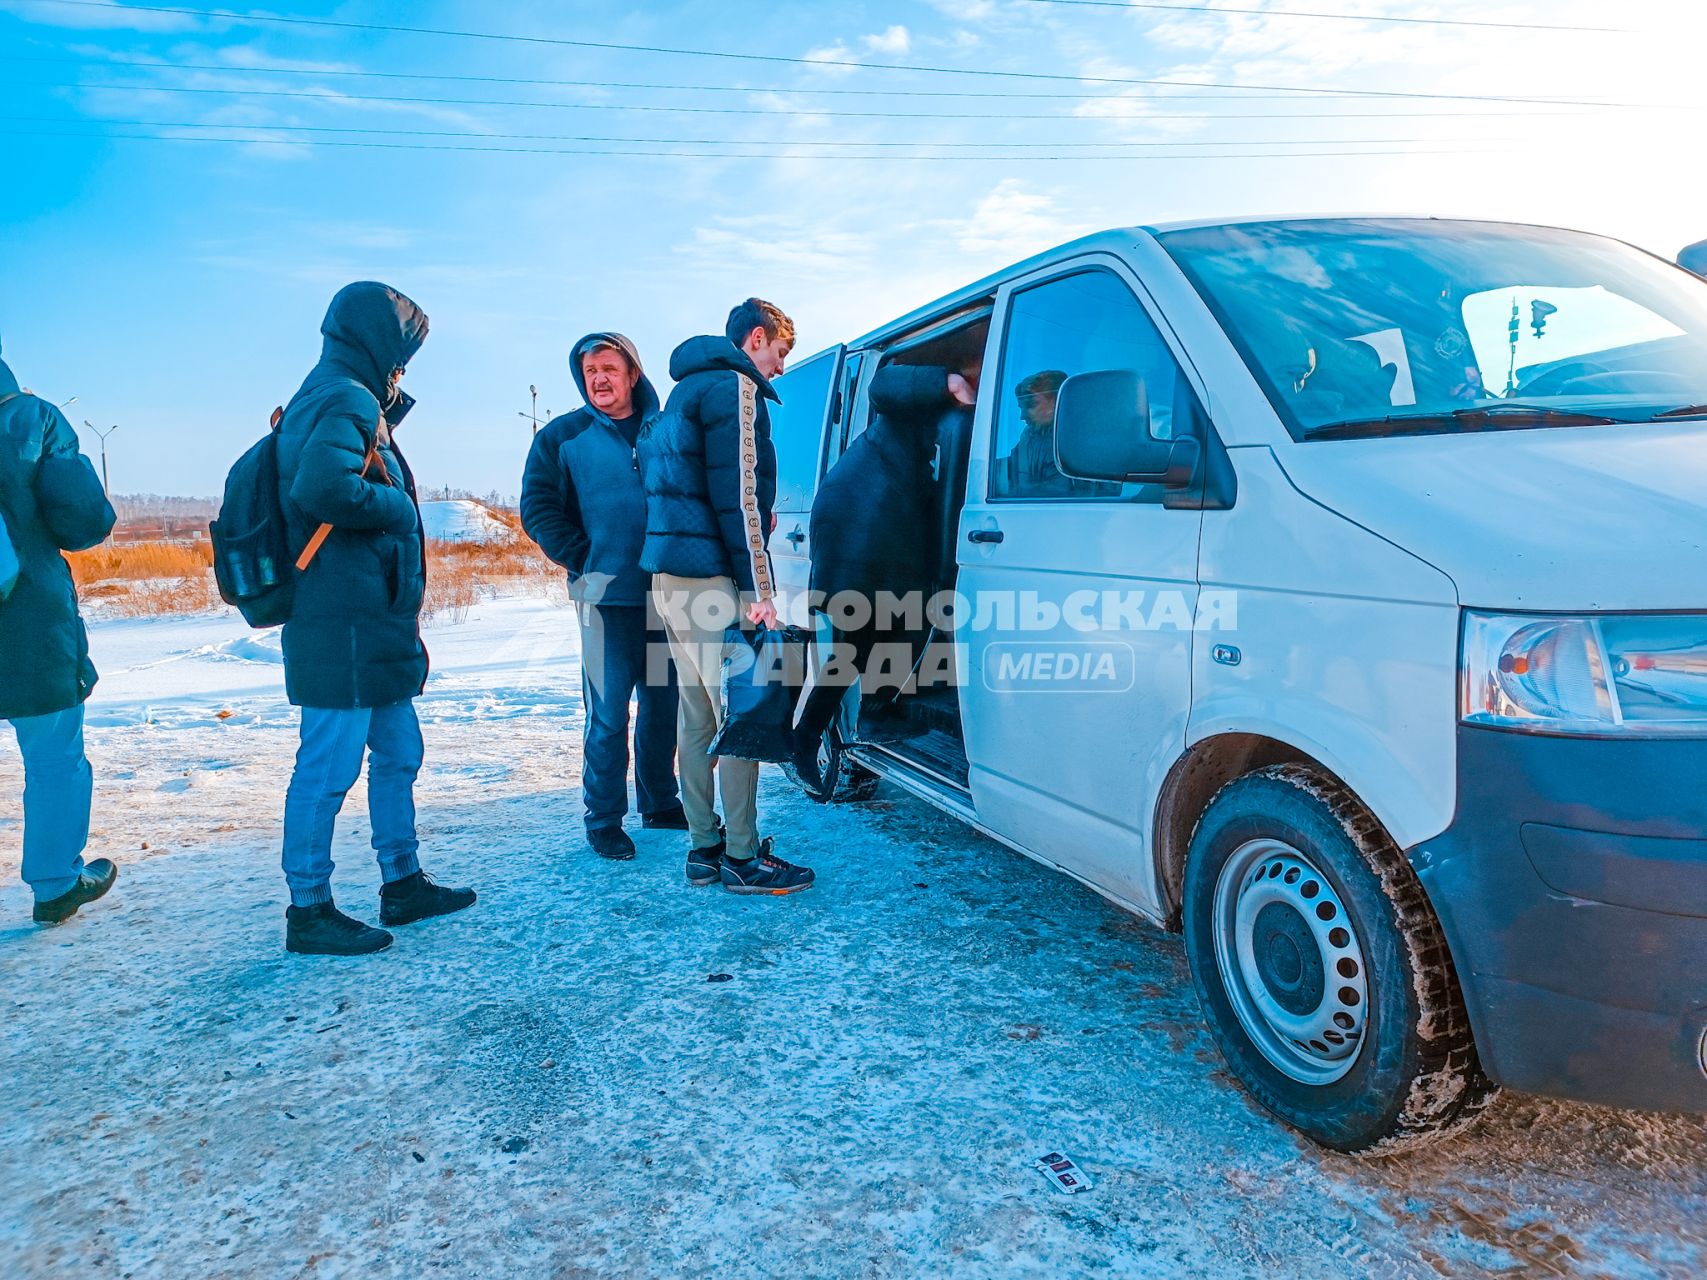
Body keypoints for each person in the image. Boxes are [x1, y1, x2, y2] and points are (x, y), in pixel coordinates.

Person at [274, 282, 475, 956]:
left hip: (373, 622)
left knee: (398, 755)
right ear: (376, 340)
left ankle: (403, 881)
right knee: (328, 769)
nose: (405, 367)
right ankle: (309, 909)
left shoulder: (345, 394)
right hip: (344, 624)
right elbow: (323, 488)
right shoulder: (341, 396)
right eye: (402, 352)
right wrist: (401, 513)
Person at [637, 298, 815, 895]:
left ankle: (703, 847)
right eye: (781, 353)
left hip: (670, 580)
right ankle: (742, 856)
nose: (781, 369)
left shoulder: (681, 394)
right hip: (715, 583)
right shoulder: (734, 390)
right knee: (745, 711)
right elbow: (740, 501)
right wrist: (758, 591)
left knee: (697, 716)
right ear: (757, 338)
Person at [520, 333, 682, 861]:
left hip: (666, 595)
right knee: (610, 712)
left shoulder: (667, 429)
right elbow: (538, 508)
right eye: (590, 370)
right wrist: (583, 556)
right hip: (605, 600)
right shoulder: (562, 437)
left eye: (609, 368)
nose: (599, 379)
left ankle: (660, 801)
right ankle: (604, 818)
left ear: (633, 373)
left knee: (663, 706)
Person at [791, 361, 975, 780]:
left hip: (865, 533)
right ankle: (871, 716)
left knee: (856, 646)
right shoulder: (904, 404)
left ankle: (809, 737)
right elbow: (883, 384)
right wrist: (945, 380)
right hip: (862, 534)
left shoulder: (910, 434)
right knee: (905, 625)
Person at [0, 338, 119, 924]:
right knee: (53, 758)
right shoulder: (32, 417)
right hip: (29, 621)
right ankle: (54, 884)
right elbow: (84, 520)